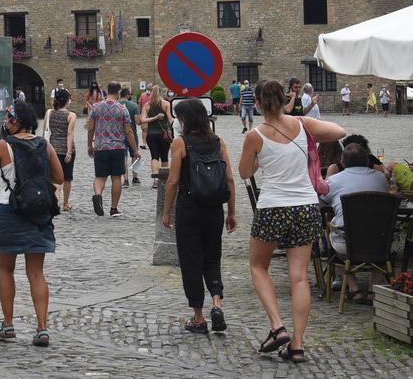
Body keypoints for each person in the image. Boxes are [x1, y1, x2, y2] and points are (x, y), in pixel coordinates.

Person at [239, 79, 346, 364]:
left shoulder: (255, 135)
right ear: (285, 99)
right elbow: (340, 131)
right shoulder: (303, 125)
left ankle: (277, 326)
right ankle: (297, 345)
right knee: (299, 277)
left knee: (258, 266)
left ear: (258, 104)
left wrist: (262, 158)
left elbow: (244, 172)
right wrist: (300, 120)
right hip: (305, 206)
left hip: (273, 206)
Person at [0, 100, 64, 347]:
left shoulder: (3, 146)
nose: (6, 121)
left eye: (10, 117)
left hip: (10, 210)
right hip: (39, 212)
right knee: (36, 272)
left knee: (5, 268)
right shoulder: (44, 145)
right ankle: (42, 328)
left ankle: (8, 324)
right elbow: (59, 177)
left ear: (17, 120)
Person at [161, 99, 236, 334]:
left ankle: (199, 318)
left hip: (188, 208)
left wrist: (166, 213)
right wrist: (231, 212)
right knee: (212, 258)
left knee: (191, 262)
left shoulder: (180, 143)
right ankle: (217, 303)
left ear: (186, 119)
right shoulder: (218, 141)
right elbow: (230, 180)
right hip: (214, 209)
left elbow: (172, 181)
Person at [320, 143, 390, 304]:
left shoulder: (333, 181)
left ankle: (353, 288)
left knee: (331, 237)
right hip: (381, 243)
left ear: (342, 162)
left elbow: (321, 203)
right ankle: (374, 288)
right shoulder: (381, 178)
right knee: (385, 236)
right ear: (367, 161)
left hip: (347, 243)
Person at [89, 82, 138, 217]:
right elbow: (129, 131)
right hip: (117, 147)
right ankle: (113, 208)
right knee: (116, 178)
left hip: (100, 146)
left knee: (100, 176)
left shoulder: (96, 107)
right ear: (118, 92)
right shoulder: (122, 109)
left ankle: (98, 195)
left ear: (107, 90)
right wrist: (135, 150)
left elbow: (91, 128)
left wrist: (89, 145)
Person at [43, 88, 77, 211]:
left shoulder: (49, 113)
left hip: (52, 149)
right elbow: (70, 134)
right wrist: (68, 152)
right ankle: (66, 203)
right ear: (67, 101)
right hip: (65, 149)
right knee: (67, 177)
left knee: (54, 177)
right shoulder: (71, 115)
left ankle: (55, 201)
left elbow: (45, 131)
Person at [140, 85, 173, 187]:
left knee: (154, 156)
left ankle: (155, 181)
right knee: (164, 157)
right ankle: (164, 180)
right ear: (161, 93)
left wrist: (153, 118)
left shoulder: (147, 105)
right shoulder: (166, 104)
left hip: (151, 134)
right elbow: (171, 119)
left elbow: (143, 120)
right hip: (164, 134)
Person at [119, 88, 142, 187]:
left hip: (120, 134)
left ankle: (125, 180)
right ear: (128, 95)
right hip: (132, 133)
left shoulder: (117, 105)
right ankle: (135, 177)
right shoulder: (134, 105)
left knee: (123, 157)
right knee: (135, 155)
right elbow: (137, 122)